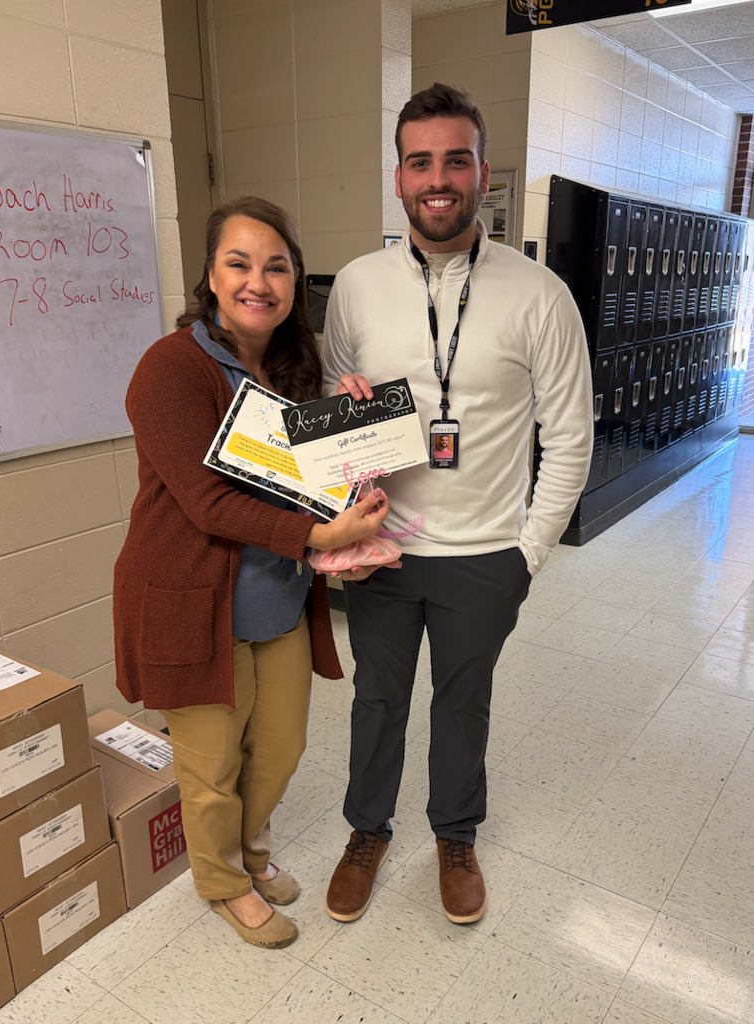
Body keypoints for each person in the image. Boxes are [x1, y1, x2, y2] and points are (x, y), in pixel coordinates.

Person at [322, 84, 593, 925]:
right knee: (377, 701)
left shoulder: (539, 294)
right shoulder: (358, 286)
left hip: (484, 556)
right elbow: (334, 411)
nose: (437, 178)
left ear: (480, 172)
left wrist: (527, 554)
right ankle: (366, 832)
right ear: (399, 178)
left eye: (456, 159)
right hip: (383, 551)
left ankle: (455, 834)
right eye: (419, 161)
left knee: (462, 703)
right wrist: (343, 399)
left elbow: (570, 438)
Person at [113, 196, 390, 949]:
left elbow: (309, 481)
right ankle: (225, 881)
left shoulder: (297, 366)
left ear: (296, 280)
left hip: (277, 596)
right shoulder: (168, 370)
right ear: (209, 274)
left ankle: (252, 852)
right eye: (239, 263)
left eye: (277, 267)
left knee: (280, 747)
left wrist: (346, 423)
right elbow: (206, 502)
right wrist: (319, 535)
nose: (258, 282)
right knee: (209, 768)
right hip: (190, 604)